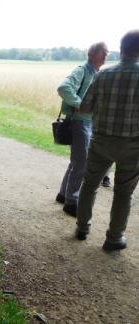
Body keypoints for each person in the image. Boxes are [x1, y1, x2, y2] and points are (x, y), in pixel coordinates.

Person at [75, 30, 139, 251]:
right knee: (123, 192)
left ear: (121, 50)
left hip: (101, 141)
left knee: (90, 184)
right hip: (133, 145)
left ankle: (82, 227)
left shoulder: (103, 75)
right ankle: (114, 238)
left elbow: (84, 107)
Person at [55, 42, 109, 216]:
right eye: (103, 52)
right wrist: (80, 104)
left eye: (107, 53)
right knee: (81, 163)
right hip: (80, 123)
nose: (106, 56)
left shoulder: (95, 72)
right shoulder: (83, 70)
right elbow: (63, 87)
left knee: (76, 162)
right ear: (91, 54)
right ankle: (72, 202)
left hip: (84, 122)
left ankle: (63, 195)